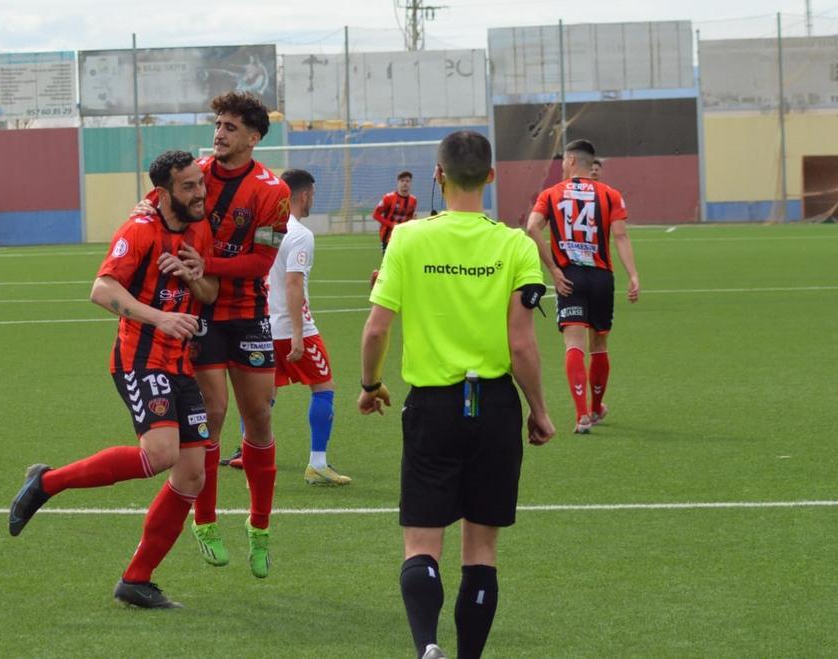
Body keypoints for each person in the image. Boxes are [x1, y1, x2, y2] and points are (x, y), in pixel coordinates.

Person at [359, 131, 555, 659]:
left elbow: (376, 330)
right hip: (493, 406)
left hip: (433, 406)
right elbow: (522, 345)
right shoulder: (515, 245)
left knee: (422, 543)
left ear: (438, 175)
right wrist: (539, 411)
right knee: (481, 550)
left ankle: (427, 646)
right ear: (491, 177)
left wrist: (370, 384)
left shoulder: (408, 238)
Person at [9, 150, 218, 609]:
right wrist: (159, 318)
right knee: (159, 455)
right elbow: (101, 289)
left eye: (200, 184)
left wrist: (194, 275)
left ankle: (136, 580)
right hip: (140, 360)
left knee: (192, 476)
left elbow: (210, 291)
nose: (199, 193)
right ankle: (47, 483)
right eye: (188, 187)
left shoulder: (199, 228)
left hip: (181, 364)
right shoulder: (139, 230)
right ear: (163, 193)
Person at [139, 92, 289, 577]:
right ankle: (204, 522)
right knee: (213, 415)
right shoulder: (192, 174)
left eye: (229, 127)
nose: (218, 133)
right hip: (197, 312)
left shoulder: (273, 191)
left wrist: (208, 263)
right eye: (217, 124)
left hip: (247, 313)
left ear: (253, 137)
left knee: (259, 418)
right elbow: (151, 210)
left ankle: (260, 529)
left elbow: (262, 263)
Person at [526, 139, 639, 434]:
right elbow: (622, 237)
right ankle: (596, 407)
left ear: (573, 161)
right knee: (598, 344)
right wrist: (634, 275)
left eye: (563, 161)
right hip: (602, 276)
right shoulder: (610, 194)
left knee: (573, 344)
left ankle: (581, 417)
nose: (562, 166)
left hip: (569, 277)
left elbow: (531, 227)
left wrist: (552, 269)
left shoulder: (551, 194)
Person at [267, 169, 350, 486]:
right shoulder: (300, 234)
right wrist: (299, 335)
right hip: (293, 328)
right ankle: (317, 463)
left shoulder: (268, 229)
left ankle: (252, 458)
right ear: (304, 195)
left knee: (263, 397)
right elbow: (292, 283)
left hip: (264, 327)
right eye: (313, 194)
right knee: (324, 387)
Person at [372, 171, 418, 253]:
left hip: (404, 237)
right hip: (388, 237)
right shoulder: (388, 198)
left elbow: (410, 218)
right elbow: (376, 215)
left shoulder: (413, 200)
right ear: (398, 183)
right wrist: (391, 224)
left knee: (403, 264)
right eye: (402, 181)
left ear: (410, 183)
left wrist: (413, 220)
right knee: (388, 264)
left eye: (407, 181)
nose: (405, 183)